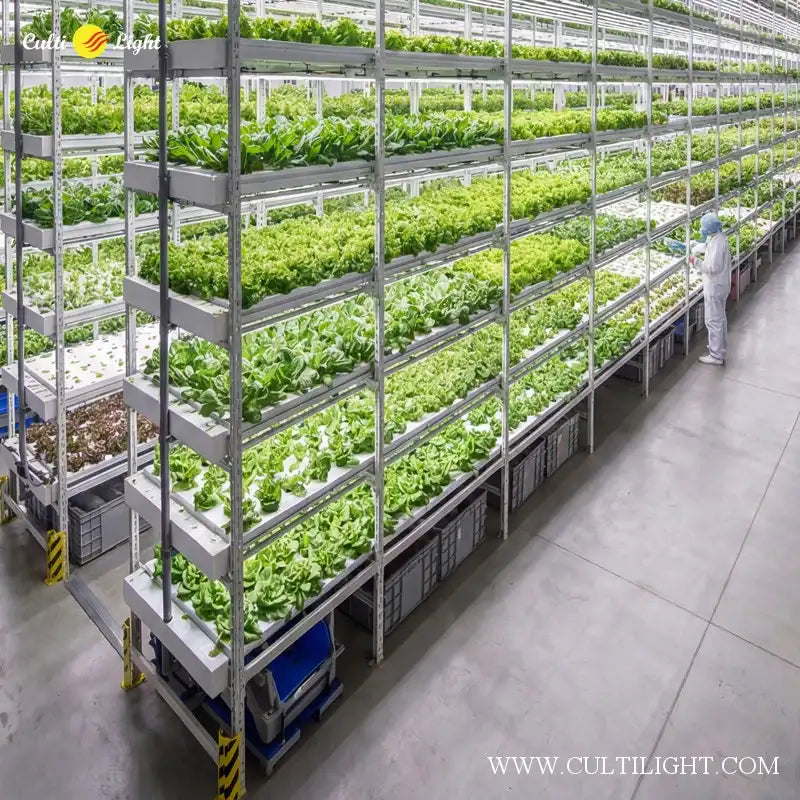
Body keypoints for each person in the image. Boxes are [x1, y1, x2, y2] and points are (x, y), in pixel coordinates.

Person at [691, 212, 731, 365]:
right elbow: (708, 246)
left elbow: (712, 266)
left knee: (713, 320)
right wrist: (696, 246)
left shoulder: (717, 243)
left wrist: (696, 262)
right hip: (721, 285)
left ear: (708, 229)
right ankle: (720, 349)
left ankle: (716, 356)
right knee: (720, 319)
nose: (702, 230)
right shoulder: (719, 238)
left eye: (703, 228)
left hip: (715, 286)